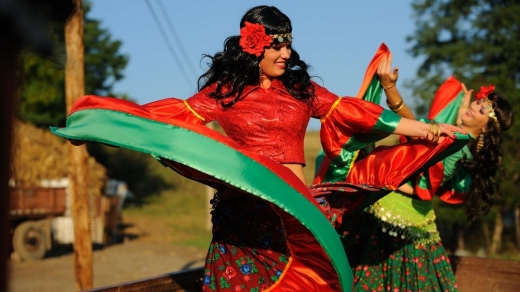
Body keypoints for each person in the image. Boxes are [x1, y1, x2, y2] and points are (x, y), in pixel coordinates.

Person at [52, 6, 468, 291]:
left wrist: (427, 129)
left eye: (289, 45)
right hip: (243, 219)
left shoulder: (303, 90)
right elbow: (172, 118)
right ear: (254, 45)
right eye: (278, 45)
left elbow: (363, 115)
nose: (286, 53)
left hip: (295, 215)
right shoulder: (225, 93)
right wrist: (113, 122)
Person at [328, 54, 514, 291]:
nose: (475, 107)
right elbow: (417, 127)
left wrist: (380, 177)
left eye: (482, 111)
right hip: (394, 211)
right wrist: (390, 89)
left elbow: (421, 184)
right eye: (479, 102)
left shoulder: (457, 149)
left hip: (398, 222)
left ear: (486, 129)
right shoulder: (454, 137)